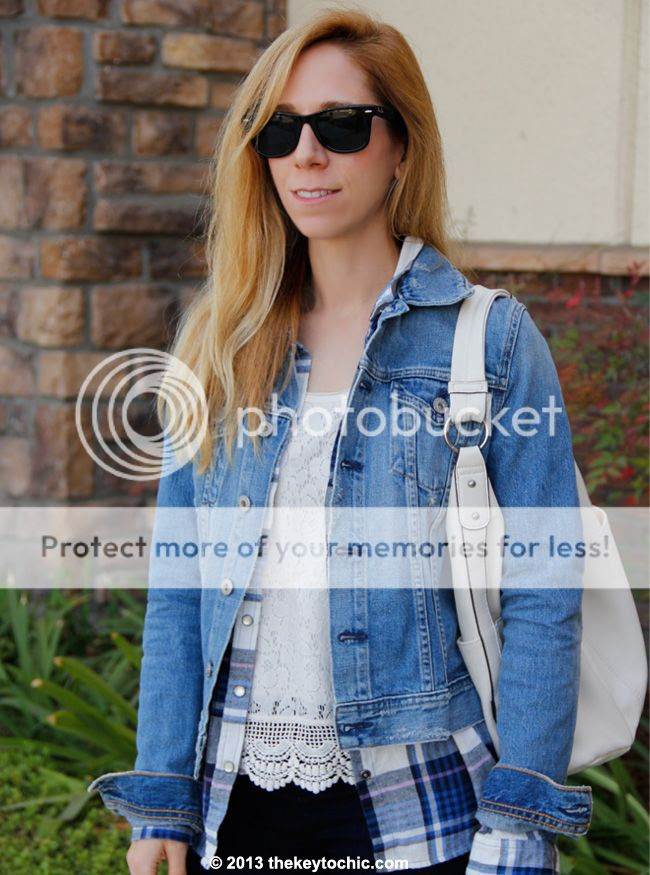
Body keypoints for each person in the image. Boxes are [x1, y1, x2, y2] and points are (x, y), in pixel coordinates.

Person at [87, 6, 593, 874]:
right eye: (280, 131)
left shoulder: (490, 341)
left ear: (403, 147)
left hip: (426, 811)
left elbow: (545, 593)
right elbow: (179, 592)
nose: (307, 155)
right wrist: (161, 796)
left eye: (343, 125)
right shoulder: (218, 346)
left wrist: (518, 822)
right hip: (233, 805)